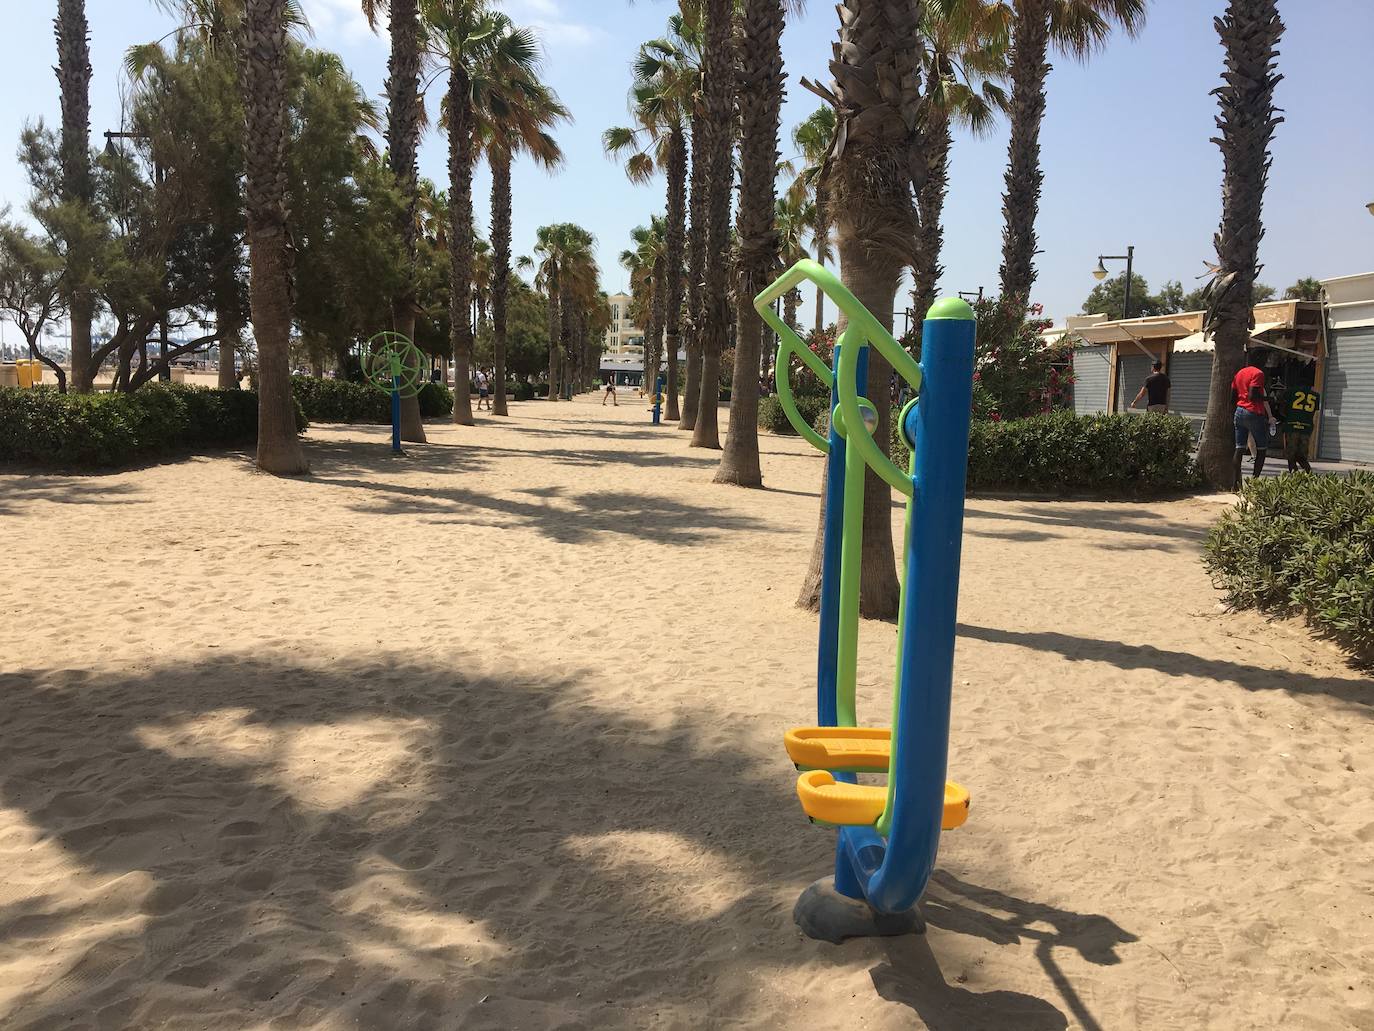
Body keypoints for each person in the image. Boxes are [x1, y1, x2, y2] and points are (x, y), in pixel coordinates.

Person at [1231, 353, 1278, 489]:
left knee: (1239, 448)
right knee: (1262, 449)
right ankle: (1254, 483)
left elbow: (1233, 397)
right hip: (1254, 412)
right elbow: (1253, 396)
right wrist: (1270, 399)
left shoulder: (1239, 373)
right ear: (1262, 362)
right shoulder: (1258, 373)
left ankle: (1236, 483)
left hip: (1239, 411)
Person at [1279, 382, 1319, 473]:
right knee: (1302, 456)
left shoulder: (1289, 392)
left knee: (1290, 454)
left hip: (1291, 426)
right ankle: (1309, 474)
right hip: (1306, 428)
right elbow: (1315, 413)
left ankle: (1294, 475)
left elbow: (1282, 409)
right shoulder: (1315, 396)